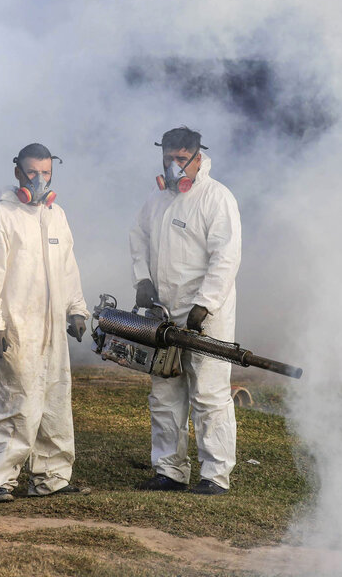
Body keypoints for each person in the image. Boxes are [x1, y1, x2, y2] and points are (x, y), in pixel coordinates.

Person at [0, 142, 91, 504]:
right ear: (17, 173)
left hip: (52, 327)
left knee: (55, 402)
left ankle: (51, 478)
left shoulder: (56, 215)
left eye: (46, 173)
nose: (39, 180)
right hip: (17, 327)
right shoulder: (1, 215)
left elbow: (68, 268)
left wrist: (76, 309)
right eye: (32, 173)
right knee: (15, 403)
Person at [129, 126, 242, 495]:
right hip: (164, 312)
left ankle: (215, 476)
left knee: (209, 393)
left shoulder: (216, 197)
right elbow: (138, 237)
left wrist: (205, 303)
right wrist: (142, 279)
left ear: (198, 157)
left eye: (181, 158)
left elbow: (226, 257)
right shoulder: (157, 199)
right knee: (165, 392)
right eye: (168, 158)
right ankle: (169, 471)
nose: (174, 165)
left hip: (206, 316)